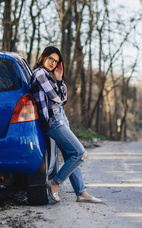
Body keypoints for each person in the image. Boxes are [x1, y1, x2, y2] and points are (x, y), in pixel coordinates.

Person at [30, 46, 103, 204]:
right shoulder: (40, 73)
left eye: (56, 61)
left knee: (71, 155)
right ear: (43, 57)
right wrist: (59, 92)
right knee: (80, 153)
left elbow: (63, 99)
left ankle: (81, 192)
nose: (53, 63)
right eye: (51, 59)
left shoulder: (49, 76)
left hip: (61, 117)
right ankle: (56, 182)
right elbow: (57, 98)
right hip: (54, 121)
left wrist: (60, 79)